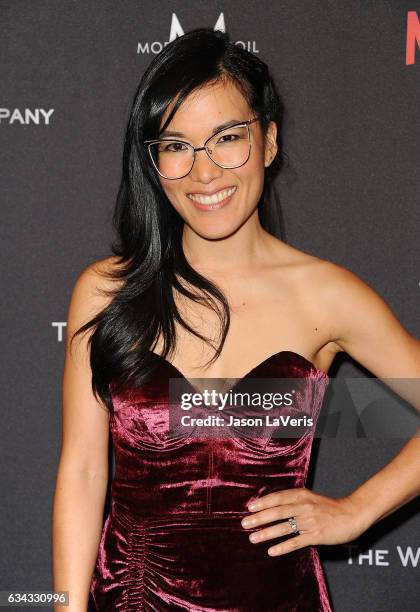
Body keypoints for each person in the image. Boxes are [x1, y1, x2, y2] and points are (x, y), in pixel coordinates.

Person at [51, 27, 420, 611]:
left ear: (268, 142)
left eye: (227, 138)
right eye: (176, 146)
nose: (205, 173)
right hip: (130, 599)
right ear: (153, 162)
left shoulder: (325, 296)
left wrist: (357, 511)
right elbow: (82, 470)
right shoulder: (105, 292)